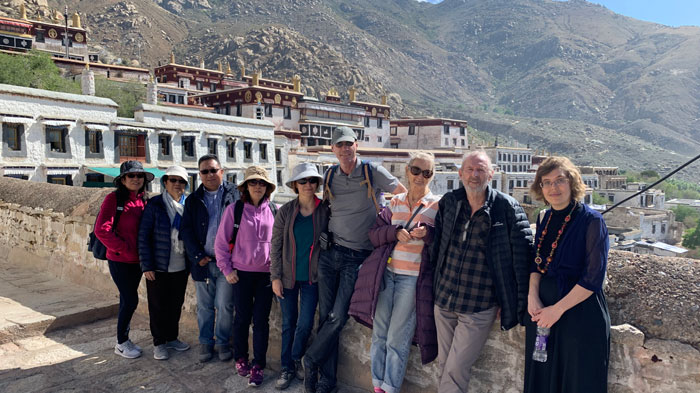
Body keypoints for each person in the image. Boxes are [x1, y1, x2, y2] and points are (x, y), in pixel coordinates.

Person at [303, 126, 406, 393]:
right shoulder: (329, 175)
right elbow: (325, 208)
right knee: (326, 317)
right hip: (330, 253)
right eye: (340, 145)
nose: (345, 149)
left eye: (349, 143)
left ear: (356, 146)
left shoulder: (373, 172)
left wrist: (390, 225)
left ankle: (310, 359)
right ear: (333, 149)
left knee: (338, 316)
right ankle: (327, 380)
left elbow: (404, 195)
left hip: (358, 257)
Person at [431, 150, 532, 393]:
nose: (474, 175)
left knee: (456, 369)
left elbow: (523, 258)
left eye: (480, 170)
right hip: (444, 300)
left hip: (479, 305)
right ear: (460, 173)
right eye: (470, 169)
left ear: (491, 174)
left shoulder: (506, 208)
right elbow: (437, 246)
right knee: (445, 364)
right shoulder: (450, 202)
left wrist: (512, 303)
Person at [349, 151, 440, 393]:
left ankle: (390, 387)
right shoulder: (395, 202)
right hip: (386, 274)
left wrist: (429, 234)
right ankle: (377, 385)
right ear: (408, 171)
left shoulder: (437, 206)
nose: (421, 176)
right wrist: (394, 232)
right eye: (416, 170)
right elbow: (374, 234)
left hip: (412, 280)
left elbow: (444, 241)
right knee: (379, 334)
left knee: (397, 339)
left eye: (427, 172)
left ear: (432, 176)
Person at [524, 156, 610, 393]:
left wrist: (557, 309)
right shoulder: (544, 217)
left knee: (576, 382)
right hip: (542, 313)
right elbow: (536, 262)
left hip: (578, 316)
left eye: (560, 180)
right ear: (540, 187)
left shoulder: (592, 221)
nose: (554, 187)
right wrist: (532, 296)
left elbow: (594, 277)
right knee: (542, 379)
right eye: (547, 182)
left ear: (572, 182)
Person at [215, 166, 277, 387]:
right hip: (241, 275)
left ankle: (258, 364)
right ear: (246, 186)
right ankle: (240, 358)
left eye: (262, 183)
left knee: (261, 322)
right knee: (241, 319)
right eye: (253, 182)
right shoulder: (235, 210)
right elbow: (221, 243)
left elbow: (278, 246)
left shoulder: (275, 211)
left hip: (266, 276)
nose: (257, 186)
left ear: (267, 187)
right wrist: (227, 270)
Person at [270, 163, 330, 390]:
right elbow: (275, 246)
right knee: (288, 324)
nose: (308, 185)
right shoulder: (286, 211)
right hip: (287, 278)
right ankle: (287, 368)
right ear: (295, 185)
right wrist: (275, 277)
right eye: (303, 181)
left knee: (305, 324)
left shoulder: (325, 210)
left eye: (312, 181)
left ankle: (297, 358)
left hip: (312, 279)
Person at [180, 154, 239, 362]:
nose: (209, 174)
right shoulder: (193, 200)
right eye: (204, 171)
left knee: (224, 305)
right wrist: (197, 255)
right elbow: (185, 230)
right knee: (204, 306)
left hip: (227, 264)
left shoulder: (235, 195)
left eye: (213, 170)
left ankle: (223, 342)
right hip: (203, 263)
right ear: (200, 175)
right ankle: (206, 342)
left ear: (221, 172)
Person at [95, 160, 154, 359]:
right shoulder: (114, 199)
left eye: (139, 176)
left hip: (139, 261)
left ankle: (124, 339)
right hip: (120, 261)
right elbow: (101, 230)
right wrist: (123, 249)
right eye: (131, 176)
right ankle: (121, 342)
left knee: (126, 300)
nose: (136, 179)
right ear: (123, 179)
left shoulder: (144, 200)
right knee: (130, 300)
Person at [138, 166, 191, 360]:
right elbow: (143, 236)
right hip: (159, 266)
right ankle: (159, 342)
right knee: (158, 305)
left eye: (181, 181)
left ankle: (172, 337)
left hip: (181, 265)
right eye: (173, 180)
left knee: (176, 304)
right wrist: (147, 265)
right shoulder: (155, 205)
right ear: (165, 182)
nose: (177, 184)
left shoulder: (189, 205)